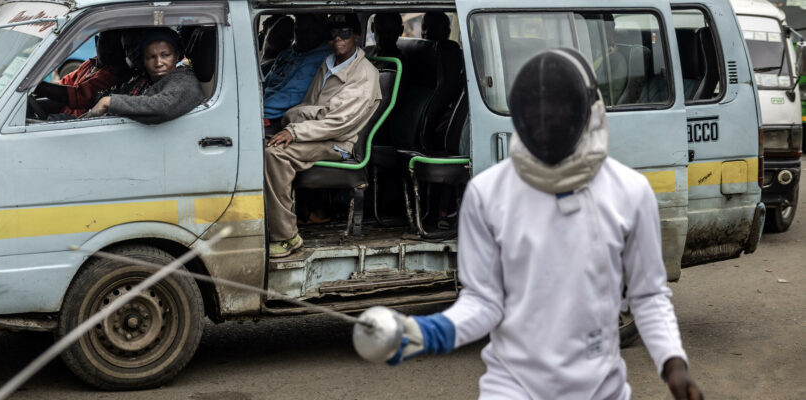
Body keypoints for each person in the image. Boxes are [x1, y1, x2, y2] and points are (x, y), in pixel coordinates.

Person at [354, 48, 703, 400]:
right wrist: (423, 332)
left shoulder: (628, 192)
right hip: (513, 389)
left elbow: (648, 295)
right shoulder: (488, 193)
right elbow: (484, 302)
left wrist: (673, 364)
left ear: (590, 112)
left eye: (560, 112)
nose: (548, 123)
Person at [265, 13, 382, 258]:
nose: (338, 38)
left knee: (275, 155)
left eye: (345, 33)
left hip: (338, 143)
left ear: (357, 36)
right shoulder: (328, 63)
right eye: (333, 34)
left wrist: (295, 131)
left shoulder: (364, 74)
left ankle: (286, 236)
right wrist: (294, 124)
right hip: (316, 132)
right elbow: (309, 106)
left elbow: (338, 123)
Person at [84, 28, 205, 125]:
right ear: (143, 60)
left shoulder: (185, 80)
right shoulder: (143, 78)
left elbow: (162, 106)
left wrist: (109, 102)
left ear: (177, 55)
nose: (158, 63)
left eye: (166, 55)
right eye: (151, 57)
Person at [34, 30, 130, 118]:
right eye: (105, 43)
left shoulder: (113, 74)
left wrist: (38, 87)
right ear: (96, 42)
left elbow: (77, 95)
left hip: (79, 121)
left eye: (115, 47)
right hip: (65, 113)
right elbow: (66, 83)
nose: (109, 50)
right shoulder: (90, 64)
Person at [262, 14, 332, 134]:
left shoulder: (322, 59)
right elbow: (265, 84)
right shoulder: (286, 54)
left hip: (281, 118)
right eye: (298, 30)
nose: (302, 36)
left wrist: (256, 110)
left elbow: (290, 97)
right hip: (266, 109)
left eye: (308, 31)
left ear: (321, 31)